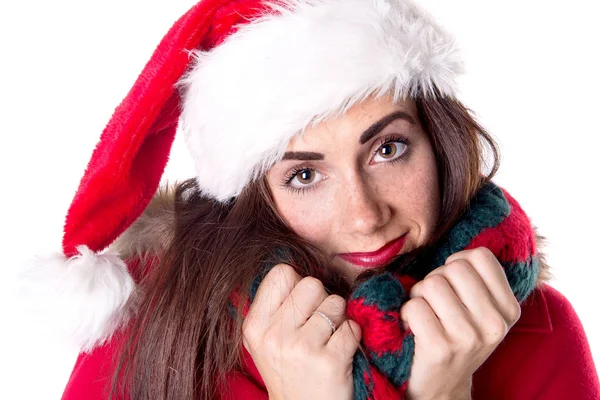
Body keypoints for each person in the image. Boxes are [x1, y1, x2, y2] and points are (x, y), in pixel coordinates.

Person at [29, 0, 598, 399]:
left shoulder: (535, 333)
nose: (365, 216)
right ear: (254, 198)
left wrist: (444, 393)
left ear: (439, 140)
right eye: (304, 176)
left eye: (389, 149)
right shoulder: (149, 331)